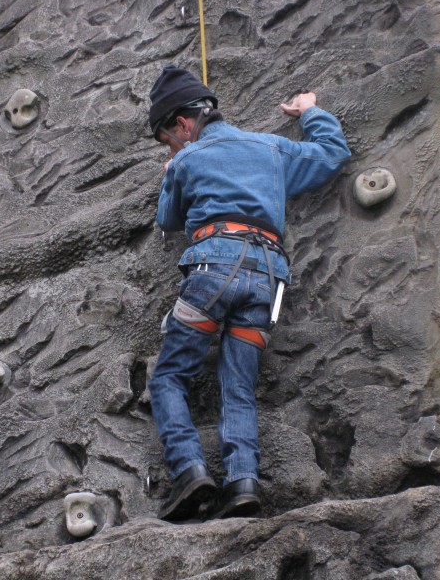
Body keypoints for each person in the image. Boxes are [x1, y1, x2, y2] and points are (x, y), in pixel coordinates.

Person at [147, 65, 350, 521]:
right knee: (237, 386)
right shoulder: (271, 148)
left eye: (169, 138)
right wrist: (310, 111)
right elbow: (333, 153)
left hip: (211, 268)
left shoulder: (185, 159)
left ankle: (189, 472)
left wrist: (171, 170)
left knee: (168, 377)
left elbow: (167, 219)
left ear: (183, 123)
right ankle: (242, 483)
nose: (173, 146)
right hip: (266, 275)